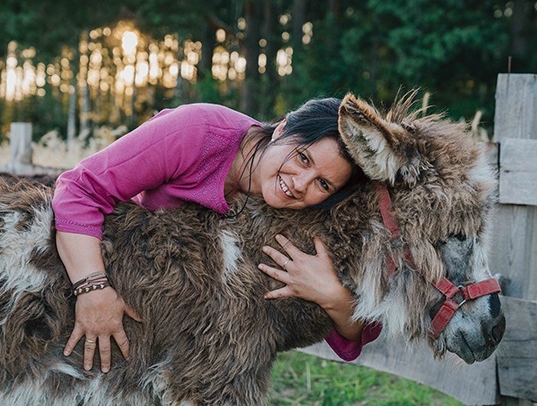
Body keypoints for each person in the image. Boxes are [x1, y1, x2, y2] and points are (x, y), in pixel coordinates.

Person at [52, 98, 382, 374]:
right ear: (281, 129)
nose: (300, 183)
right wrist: (92, 288)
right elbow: (80, 188)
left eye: (323, 183)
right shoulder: (197, 131)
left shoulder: (307, 211)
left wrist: (333, 295)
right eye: (302, 158)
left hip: (193, 336)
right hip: (121, 274)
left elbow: (357, 335)